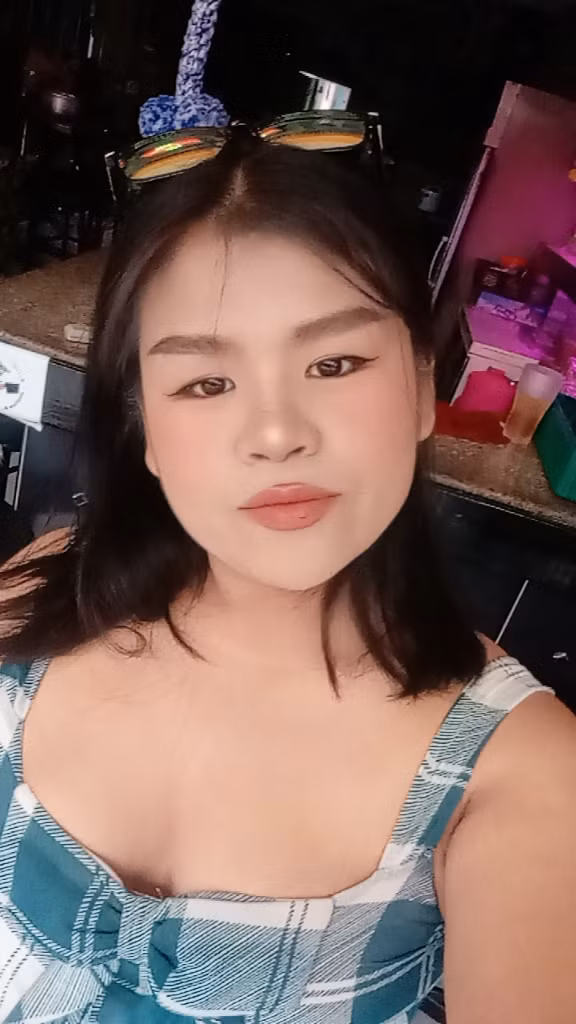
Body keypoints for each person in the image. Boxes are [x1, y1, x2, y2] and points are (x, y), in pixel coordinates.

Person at [0, 133, 575, 1024]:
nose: (276, 433)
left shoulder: (522, 772)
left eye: (334, 364)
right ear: (147, 431)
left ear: (423, 387)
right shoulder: (47, 590)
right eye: (205, 383)